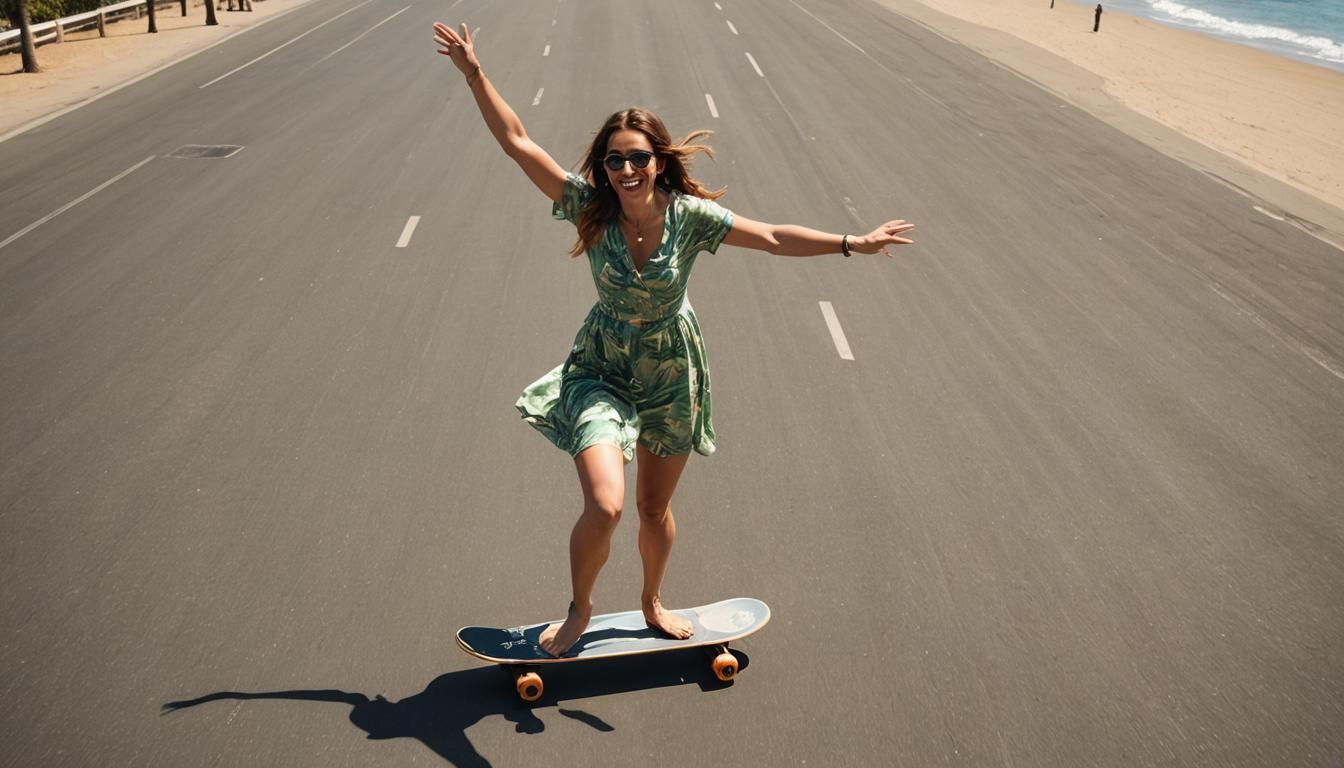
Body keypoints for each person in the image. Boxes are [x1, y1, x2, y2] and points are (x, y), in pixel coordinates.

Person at [433, 22, 915, 656]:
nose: (627, 168)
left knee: (653, 510)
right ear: (603, 169)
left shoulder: (689, 219)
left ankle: (652, 600)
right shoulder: (588, 207)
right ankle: (580, 608)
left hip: (670, 370)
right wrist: (474, 73)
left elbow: (772, 236)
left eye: (638, 157)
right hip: (602, 366)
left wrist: (853, 242)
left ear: (658, 161)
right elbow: (518, 142)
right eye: (615, 159)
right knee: (605, 506)